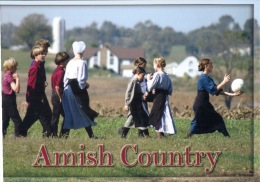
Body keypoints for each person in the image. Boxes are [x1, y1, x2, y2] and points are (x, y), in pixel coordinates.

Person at [186, 58, 243, 138]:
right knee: (199, 122)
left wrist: (234, 94)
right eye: (211, 64)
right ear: (206, 66)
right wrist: (224, 81)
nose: (212, 66)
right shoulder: (203, 78)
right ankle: (227, 137)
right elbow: (214, 89)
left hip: (203, 104)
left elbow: (218, 91)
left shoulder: (207, 78)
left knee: (211, 120)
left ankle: (227, 137)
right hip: (201, 104)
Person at [62, 41, 98, 139]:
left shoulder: (70, 62)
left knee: (70, 112)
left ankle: (65, 136)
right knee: (84, 111)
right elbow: (82, 79)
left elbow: (65, 78)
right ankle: (91, 135)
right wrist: (84, 87)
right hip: (77, 90)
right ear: (83, 51)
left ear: (74, 51)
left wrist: (65, 89)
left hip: (68, 89)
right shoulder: (82, 63)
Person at [20, 45, 52, 137]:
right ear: (36, 55)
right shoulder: (34, 68)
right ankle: (49, 135)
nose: (44, 55)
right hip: (36, 98)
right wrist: (28, 100)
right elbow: (30, 85)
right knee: (44, 116)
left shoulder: (38, 66)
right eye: (41, 54)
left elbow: (36, 82)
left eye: (44, 53)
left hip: (38, 97)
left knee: (35, 117)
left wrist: (42, 83)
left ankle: (20, 133)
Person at [118, 57, 152, 137]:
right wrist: (126, 103)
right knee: (134, 116)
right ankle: (124, 132)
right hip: (135, 101)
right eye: (143, 66)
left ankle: (140, 133)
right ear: (138, 65)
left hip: (141, 100)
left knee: (141, 116)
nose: (144, 68)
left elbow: (144, 85)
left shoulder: (142, 75)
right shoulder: (134, 78)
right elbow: (129, 91)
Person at [147, 57, 177, 139]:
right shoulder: (166, 76)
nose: (153, 66)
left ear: (157, 65)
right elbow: (170, 90)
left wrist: (148, 79)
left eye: (154, 65)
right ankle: (162, 135)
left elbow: (150, 86)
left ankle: (159, 136)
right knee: (163, 114)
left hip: (158, 97)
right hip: (165, 97)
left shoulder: (157, 75)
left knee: (157, 115)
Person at [50, 52, 70, 138]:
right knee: (67, 116)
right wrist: (61, 98)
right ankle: (62, 136)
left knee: (56, 116)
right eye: (66, 61)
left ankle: (54, 135)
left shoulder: (56, 70)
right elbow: (57, 87)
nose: (67, 62)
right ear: (62, 61)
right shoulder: (61, 72)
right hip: (58, 95)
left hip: (53, 95)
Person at [2, 58, 23, 137]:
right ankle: (17, 136)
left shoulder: (5, 75)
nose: (16, 68)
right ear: (11, 67)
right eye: (15, 67)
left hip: (4, 99)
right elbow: (16, 89)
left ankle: (2, 135)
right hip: (9, 100)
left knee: (5, 120)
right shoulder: (9, 76)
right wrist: (17, 79)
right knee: (17, 121)